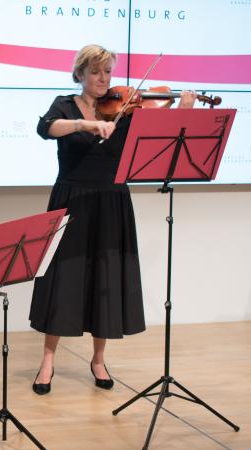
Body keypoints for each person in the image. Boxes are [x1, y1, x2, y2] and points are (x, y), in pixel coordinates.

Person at [29, 45, 196, 395]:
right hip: (72, 199)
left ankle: (98, 359)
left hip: (112, 200)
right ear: (81, 75)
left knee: (105, 278)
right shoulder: (64, 105)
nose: (103, 79)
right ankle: (48, 360)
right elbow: (45, 129)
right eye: (95, 72)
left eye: (107, 72)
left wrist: (183, 110)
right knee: (63, 280)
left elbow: (163, 138)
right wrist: (84, 124)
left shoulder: (127, 108)